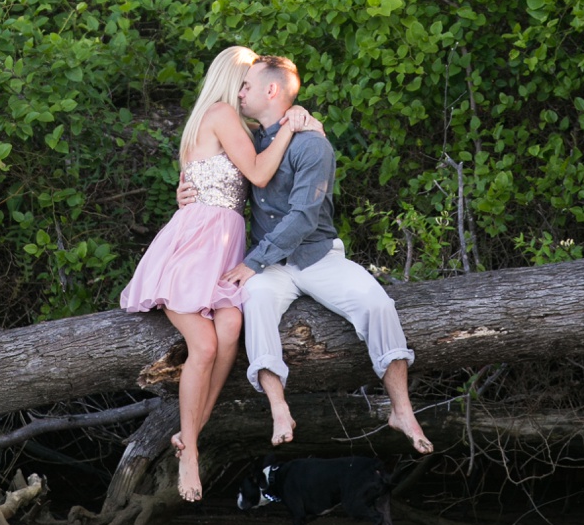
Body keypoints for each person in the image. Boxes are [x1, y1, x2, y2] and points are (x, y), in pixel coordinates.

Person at [182, 54, 433, 454]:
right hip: (271, 265)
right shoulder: (248, 139)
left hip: (316, 256)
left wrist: (251, 262)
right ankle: (278, 407)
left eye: (247, 86)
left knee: (377, 303)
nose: (240, 93)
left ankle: (402, 409)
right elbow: (208, 174)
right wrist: (186, 195)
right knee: (257, 300)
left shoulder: (312, 144)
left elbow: (302, 218)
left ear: (271, 90)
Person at [120, 45, 320, 503]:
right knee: (205, 343)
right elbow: (258, 174)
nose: (249, 90)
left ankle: (190, 434)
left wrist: (296, 117)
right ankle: (188, 449)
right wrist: (291, 125)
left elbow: (210, 172)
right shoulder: (221, 115)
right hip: (196, 245)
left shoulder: (221, 120)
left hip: (221, 242)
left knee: (230, 327)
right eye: (247, 80)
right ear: (234, 79)